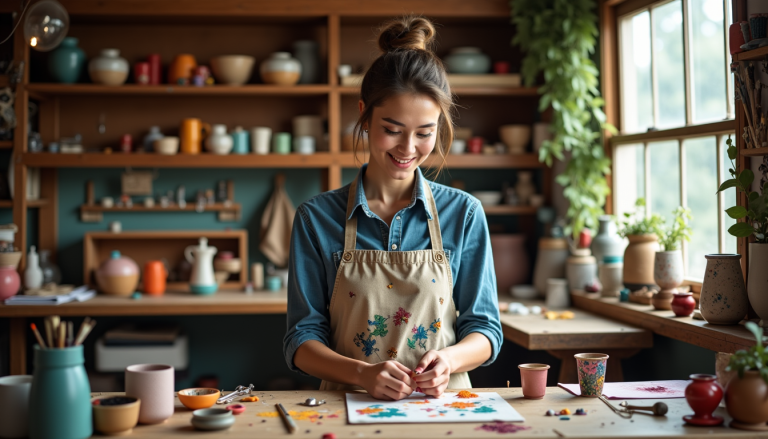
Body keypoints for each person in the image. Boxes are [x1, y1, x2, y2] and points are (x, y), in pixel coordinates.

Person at [283, 16, 502, 401]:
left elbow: (485, 329)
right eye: (392, 128)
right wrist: (363, 373)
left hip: (443, 407)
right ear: (364, 115)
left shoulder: (463, 213)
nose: (408, 149)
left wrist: (448, 361)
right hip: (349, 405)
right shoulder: (315, 218)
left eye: (425, 133)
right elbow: (301, 339)